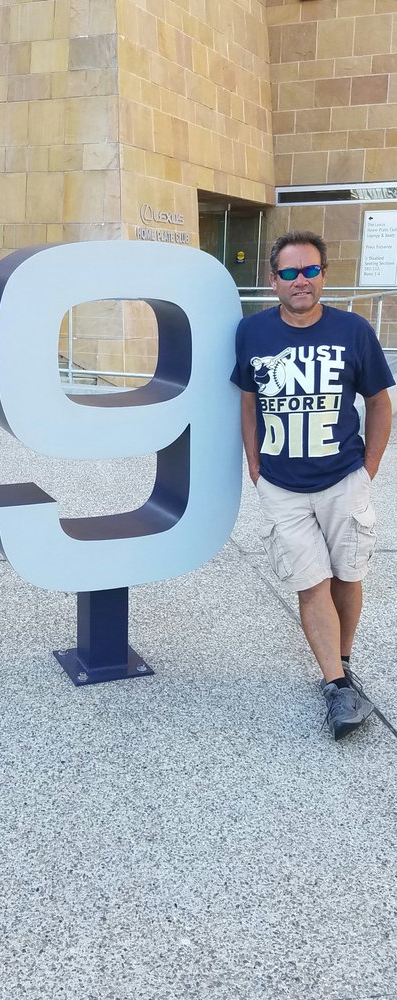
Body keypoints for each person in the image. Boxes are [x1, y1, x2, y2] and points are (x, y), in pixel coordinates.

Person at [230, 230, 395, 740]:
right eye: (289, 272)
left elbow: (379, 402)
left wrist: (368, 468)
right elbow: (249, 400)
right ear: (272, 280)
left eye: (309, 271)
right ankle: (336, 685)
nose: (299, 281)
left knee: (347, 575)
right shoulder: (252, 332)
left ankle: (342, 663)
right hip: (282, 486)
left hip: (344, 479)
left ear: (323, 275)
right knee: (310, 582)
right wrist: (254, 464)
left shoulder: (354, 331)